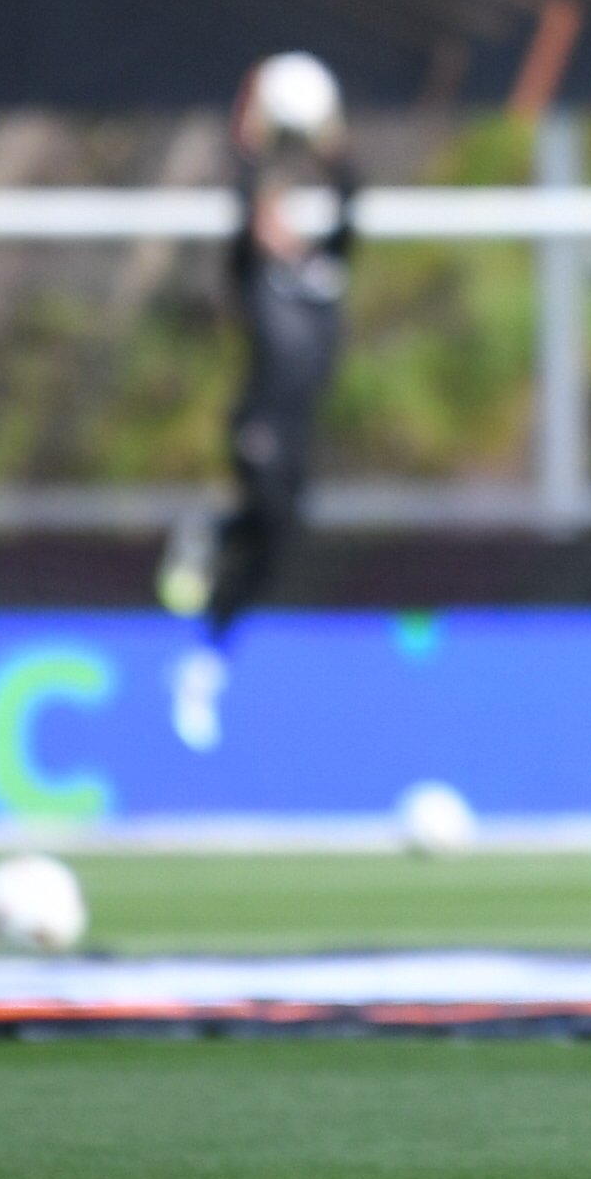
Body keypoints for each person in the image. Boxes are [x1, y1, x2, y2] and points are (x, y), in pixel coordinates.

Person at [156, 53, 356, 752]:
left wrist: (330, 141)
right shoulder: (256, 273)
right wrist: (254, 137)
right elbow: (243, 198)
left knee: (276, 546)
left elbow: (353, 200)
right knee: (267, 515)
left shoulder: (325, 270)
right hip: (262, 423)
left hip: (300, 430)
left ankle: (211, 641)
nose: (281, 225)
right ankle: (211, 534)